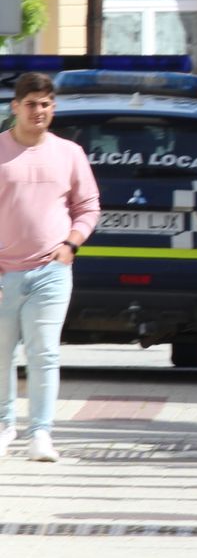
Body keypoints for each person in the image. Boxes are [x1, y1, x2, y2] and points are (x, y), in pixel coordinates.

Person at [0, 72, 100, 463]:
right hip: (4, 272)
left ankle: (40, 433)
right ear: (15, 107)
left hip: (50, 271)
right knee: (1, 354)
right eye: (31, 104)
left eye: (45, 104)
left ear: (53, 108)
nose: (38, 111)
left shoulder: (69, 153)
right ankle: (4, 426)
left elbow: (87, 206)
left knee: (44, 354)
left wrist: (70, 245)